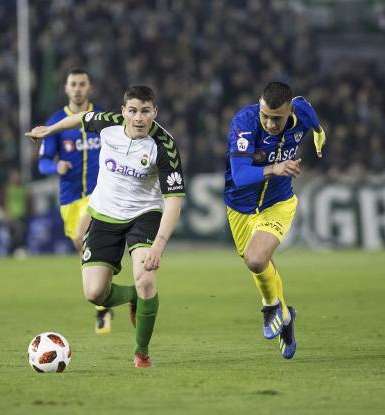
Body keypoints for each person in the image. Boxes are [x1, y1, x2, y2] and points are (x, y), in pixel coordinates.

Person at [27, 85, 185, 368]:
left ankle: (141, 352)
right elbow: (80, 118)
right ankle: (133, 296)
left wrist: (159, 246)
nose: (139, 118)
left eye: (145, 112)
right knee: (95, 294)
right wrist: (49, 130)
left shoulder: (165, 145)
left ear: (154, 112)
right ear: (123, 112)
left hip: (144, 214)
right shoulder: (108, 124)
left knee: (146, 279)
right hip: (104, 214)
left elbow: (173, 201)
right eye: (133, 111)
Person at [224, 81, 326, 359]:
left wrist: (318, 132)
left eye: (277, 118)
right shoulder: (244, 123)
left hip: (278, 203)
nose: (269, 123)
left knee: (256, 259)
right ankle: (287, 316)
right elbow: (241, 175)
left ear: (289, 110)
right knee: (258, 263)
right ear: (259, 105)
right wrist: (275, 167)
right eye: (265, 115)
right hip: (240, 207)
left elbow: (309, 111)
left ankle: (271, 308)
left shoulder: (300, 111)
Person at [37, 68, 114, 334]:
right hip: (69, 198)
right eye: (74, 84)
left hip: (99, 194)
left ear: (89, 87)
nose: (78, 88)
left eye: (82, 84)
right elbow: (43, 162)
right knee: (81, 245)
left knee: (85, 236)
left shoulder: (102, 118)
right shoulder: (57, 121)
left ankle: (103, 297)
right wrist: (54, 168)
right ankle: (104, 300)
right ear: (66, 89)